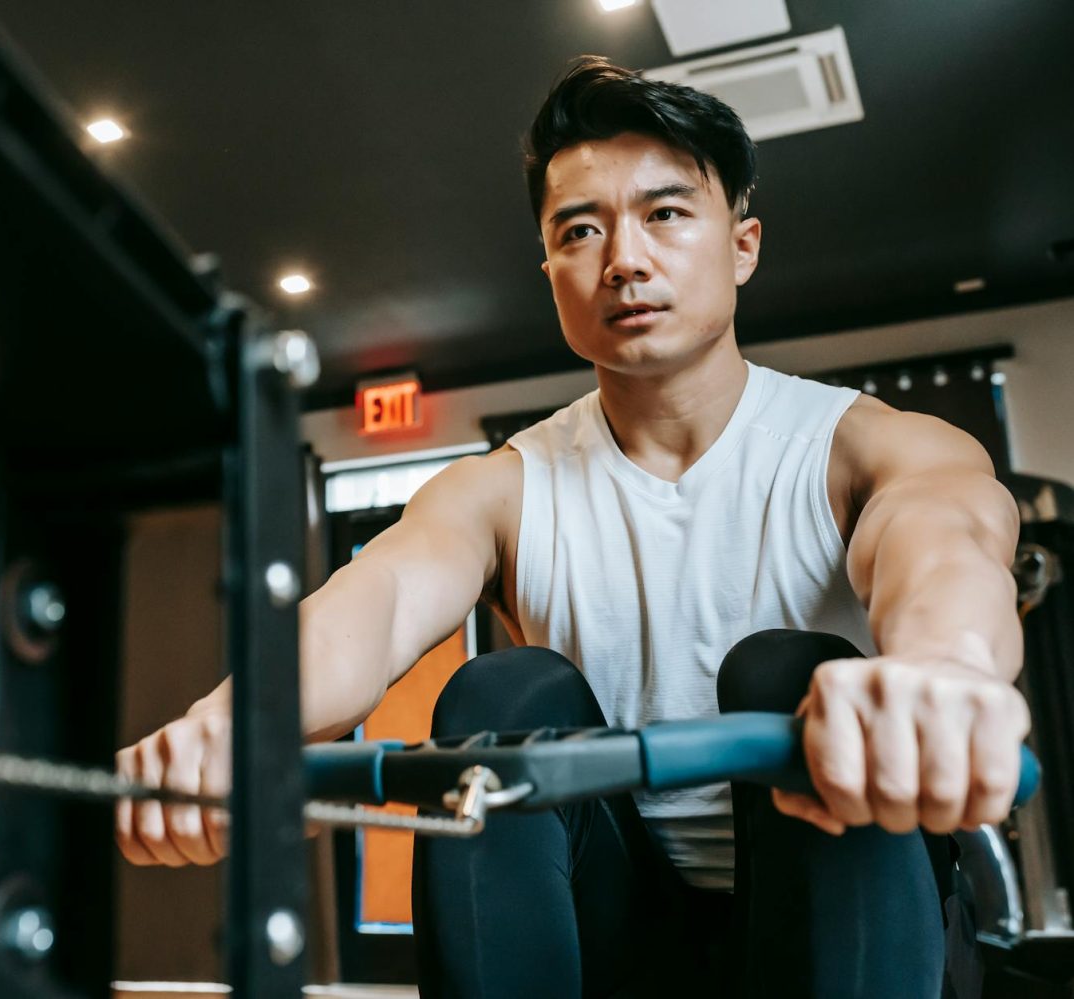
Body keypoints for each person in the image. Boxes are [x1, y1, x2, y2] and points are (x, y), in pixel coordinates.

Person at [114, 56, 1030, 998]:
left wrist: (945, 671)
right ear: (550, 268)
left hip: (848, 910)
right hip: (625, 931)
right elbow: (377, 599)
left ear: (743, 244)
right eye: (581, 230)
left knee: (788, 670)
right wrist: (228, 728)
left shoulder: (865, 445)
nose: (624, 259)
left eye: (665, 214)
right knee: (504, 694)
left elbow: (947, 540)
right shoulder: (506, 487)